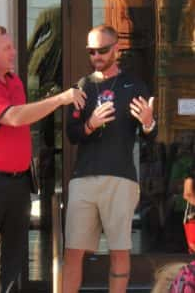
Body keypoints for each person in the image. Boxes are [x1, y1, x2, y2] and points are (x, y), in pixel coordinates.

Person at [0, 25, 86, 293]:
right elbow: (14, 117)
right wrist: (60, 99)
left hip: (18, 181)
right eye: (7, 48)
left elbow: (23, 117)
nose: (15, 52)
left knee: (14, 261)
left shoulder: (14, 81)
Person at [62, 24, 157, 293]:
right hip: (84, 178)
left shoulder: (134, 85)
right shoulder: (82, 86)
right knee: (73, 251)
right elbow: (72, 134)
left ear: (116, 49)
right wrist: (90, 124)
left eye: (102, 50)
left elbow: (151, 135)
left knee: (119, 250)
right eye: (91, 51)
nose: (96, 57)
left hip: (121, 178)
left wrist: (149, 122)